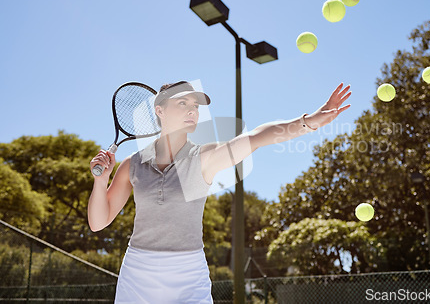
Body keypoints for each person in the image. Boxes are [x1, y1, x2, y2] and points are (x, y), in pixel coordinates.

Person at [88, 80, 351, 303]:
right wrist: (101, 183)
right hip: (138, 274)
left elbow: (260, 136)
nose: (192, 110)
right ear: (160, 110)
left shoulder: (204, 157)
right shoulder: (131, 165)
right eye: (183, 104)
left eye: (195, 106)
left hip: (188, 275)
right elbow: (98, 222)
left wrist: (309, 122)